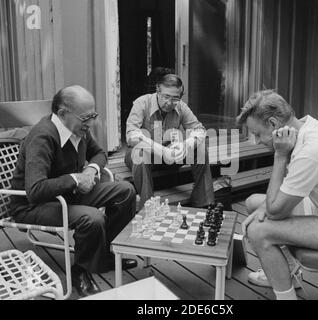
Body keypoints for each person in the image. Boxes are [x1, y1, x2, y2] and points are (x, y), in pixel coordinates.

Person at [237, 90, 318, 300]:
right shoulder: (305, 126)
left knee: (259, 231)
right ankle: (287, 271)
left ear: (273, 125)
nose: (255, 141)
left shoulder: (311, 151)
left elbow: (275, 211)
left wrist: (280, 157)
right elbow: (280, 198)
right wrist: (267, 206)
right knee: (254, 202)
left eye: (257, 134)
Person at [10, 85, 138, 297]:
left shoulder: (78, 128)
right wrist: (75, 179)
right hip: (34, 205)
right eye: (86, 117)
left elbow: (99, 153)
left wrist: (90, 169)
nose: (92, 123)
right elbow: (34, 190)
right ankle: (81, 271)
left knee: (125, 191)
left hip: (68, 196)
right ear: (62, 113)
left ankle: (106, 255)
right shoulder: (42, 137)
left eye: (94, 115)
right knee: (92, 218)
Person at [125, 74, 214, 209]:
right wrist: (161, 150)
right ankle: (148, 206)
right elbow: (131, 135)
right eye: (166, 97)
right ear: (158, 90)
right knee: (140, 155)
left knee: (200, 149)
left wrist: (185, 145)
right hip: (146, 155)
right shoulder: (142, 103)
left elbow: (200, 130)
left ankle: (203, 203)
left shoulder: (181, 106)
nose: (169, 103)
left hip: (170, 156)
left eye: (175, 99)